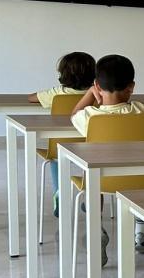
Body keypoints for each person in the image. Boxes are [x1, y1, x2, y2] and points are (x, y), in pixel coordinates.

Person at [69, 54, 144, 256]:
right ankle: (141, 232)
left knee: (93, 178)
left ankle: (96, 229)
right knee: (140, 179)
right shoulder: (143, 111)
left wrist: (90, 94)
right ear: (131, 86)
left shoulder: (90, 117)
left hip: (104, 180)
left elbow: (73, 114)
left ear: (97, 85)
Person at [30, 51, 96, 216]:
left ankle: (60, 191)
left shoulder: (57, 93)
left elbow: (32, 98)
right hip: (92, 145)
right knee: (93, 159)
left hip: (61, 145)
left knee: (56, 156)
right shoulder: (98, 94)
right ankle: (91, 198)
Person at [28, 51, 95, 106]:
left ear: (64, 74)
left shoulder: (58, 92)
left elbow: (31, 98)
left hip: (58, 122)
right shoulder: (98, 93)